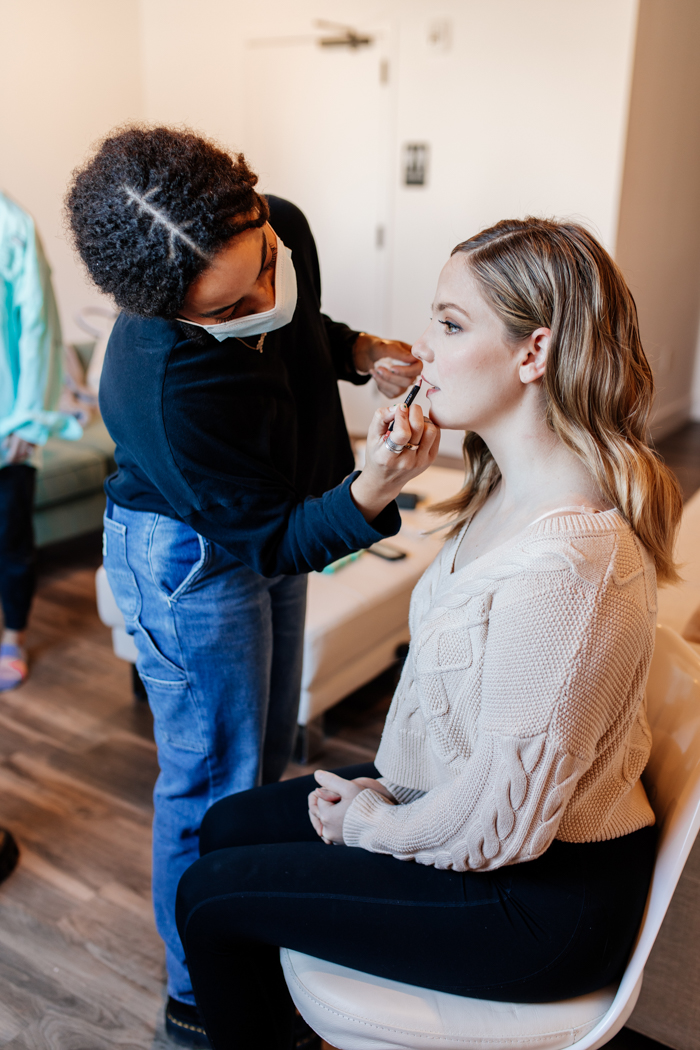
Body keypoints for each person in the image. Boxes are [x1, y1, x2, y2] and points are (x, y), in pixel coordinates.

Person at [175, 217, 683, 1050]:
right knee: (228, 826)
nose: (423, 348)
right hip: (474, 804)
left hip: (536, 897)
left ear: (533, 353)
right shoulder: (502, 488)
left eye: (450, 324)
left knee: (212, 896)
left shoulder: (568, 568)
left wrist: (368, 822)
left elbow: (500, 828)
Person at [65, 125, 439, 1046]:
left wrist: (355, 350)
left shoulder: (281, 227)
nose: (266, 297)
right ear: (174, 316)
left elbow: (296, 331)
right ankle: (197, 990)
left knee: (266, 750)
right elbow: (270, 541)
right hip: (187, 556)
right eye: (234, 309)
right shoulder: (157, 390)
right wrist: (374, 489)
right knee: (209, 780)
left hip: (263, 511)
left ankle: (242, 915)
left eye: (265, 266)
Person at [0, 191, 82, 692]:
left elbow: (39, 326)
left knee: (10, 539)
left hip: (8, 426)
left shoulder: (12, 226)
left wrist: (30, 423)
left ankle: (14, 635)